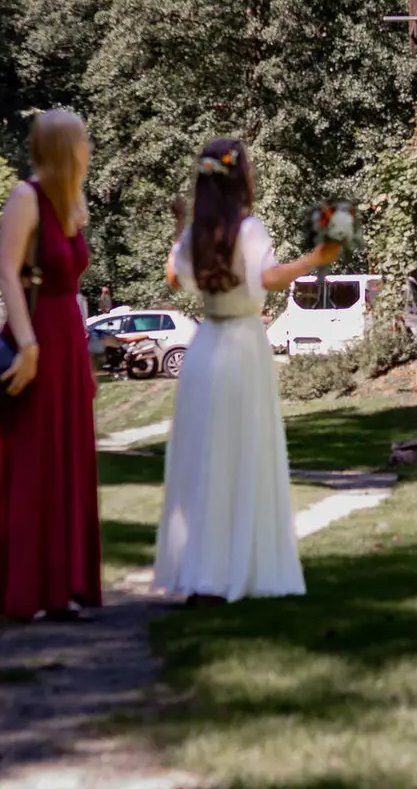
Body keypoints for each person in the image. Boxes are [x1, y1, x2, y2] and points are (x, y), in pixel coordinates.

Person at [154, 138, 342, 607]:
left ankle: (202, 573)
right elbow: (267, 278)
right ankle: (236, 566)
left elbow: (174, 276)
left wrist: (179, 227)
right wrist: (314, 260)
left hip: (204, 348)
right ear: (241, 179)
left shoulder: (197, 234)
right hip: (242, 346)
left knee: (204, 458)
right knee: (241, 454)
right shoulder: (249, 229)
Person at [0, 110, 102, 622]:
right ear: (62, 148)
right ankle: (27, 591)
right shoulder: (25, 198)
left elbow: (70, 287)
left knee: (67, 463)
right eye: (82, 141)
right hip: (36, 339)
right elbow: (7, 274)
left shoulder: (68, 204)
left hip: (67, 342)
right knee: (34, 461)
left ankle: (63, 586)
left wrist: (86, 362)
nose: (89, 149)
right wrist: (29, 346)